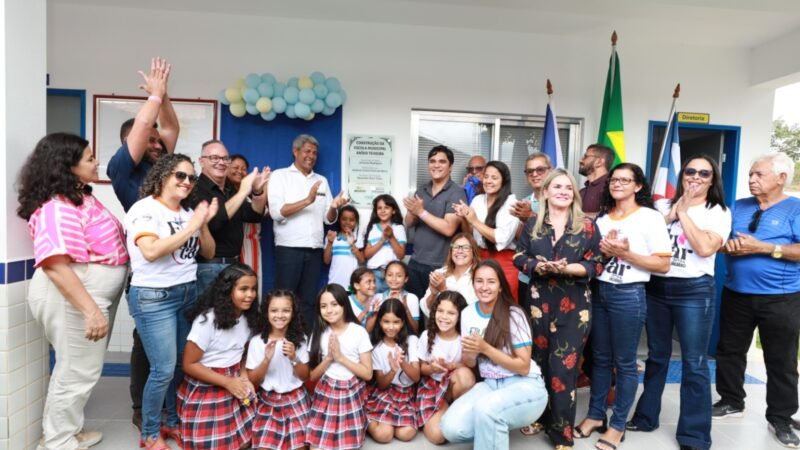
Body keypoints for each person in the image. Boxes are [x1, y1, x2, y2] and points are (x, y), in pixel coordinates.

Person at [18, 133, 129, 450]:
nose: (96, 162)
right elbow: (55, 264)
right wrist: (91, 310)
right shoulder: (57, 207)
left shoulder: (81, 199)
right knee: (76, 370)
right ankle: (57, 442)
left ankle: (67, 430)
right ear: (67, 166)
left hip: (89, 294)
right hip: (74, 296)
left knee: (81, 368)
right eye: (89, 158)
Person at [626, 156, 730, 450]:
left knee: (694, 362)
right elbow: (642, 237)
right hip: (657, 288)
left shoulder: (718, 212)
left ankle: (694, 434)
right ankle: (646, 417)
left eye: (704, 173)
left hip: (694, 291)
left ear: (712, 179)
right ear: (682, 174)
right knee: (657, 356)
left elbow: (706, 246)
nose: (695, 176)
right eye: (690, 171)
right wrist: (671, 213)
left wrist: (683, 213)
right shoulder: (659, 207)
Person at [105, 57, 180, 431]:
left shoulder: (164, 168)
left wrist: (163, 96)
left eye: (157, 140)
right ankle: (141, 408)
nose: (156, 143)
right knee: (145, 345)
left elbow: (169, 127)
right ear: (129, 143)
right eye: (147, 139)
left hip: (177, 270)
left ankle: (170, 410)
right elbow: (145, 130)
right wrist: (152, 98)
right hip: (148, 270)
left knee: (171, 350)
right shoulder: (121, 171)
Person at [574, 163, 671, 450]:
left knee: (625, 363)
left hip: (629, 294)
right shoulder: (603, 219)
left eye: (625, 180)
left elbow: (663, 264)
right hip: (600, 291)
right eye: (614, 180)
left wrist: (626, 254)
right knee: (600, 359)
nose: (617, 184)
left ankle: (617, 425)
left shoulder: (650, 218)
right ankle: (594, 415)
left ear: (638, 186)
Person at [124, 154, 217, 450]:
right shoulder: (145, 209)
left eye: (191, 178)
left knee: (178, 364)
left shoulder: (187, 212)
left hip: (186, 293)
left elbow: (210, 252)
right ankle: (150, 433)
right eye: (180, 175)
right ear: (163, 175)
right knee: (162, 368)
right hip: (154, 297)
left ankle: (173, 423)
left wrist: (201, 225)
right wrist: (192, 227)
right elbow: (150, 251)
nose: (187, 182)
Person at [513, 168, 605, 449]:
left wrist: (568, 269)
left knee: (564, 367)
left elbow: (597, 263)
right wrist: (537, 266)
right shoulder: (533, 225)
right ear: (546, 192)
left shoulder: (587, 226)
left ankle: (561, 431)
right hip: (539, 303)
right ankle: (539, 416)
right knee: (538, 363)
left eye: (568, 187)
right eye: (557, 187)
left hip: (574, 305)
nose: (563, 191)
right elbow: (519, 255)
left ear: (574, 194)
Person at [714, 152, 800, 448]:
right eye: (751, 174)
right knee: (729, 351)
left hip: (781, 298)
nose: (751, 179)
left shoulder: (795, 209)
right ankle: (730, 400)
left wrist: (764, 248)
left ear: (781, 178)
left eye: (758, 174)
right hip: (737, 293)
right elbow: (719, 241)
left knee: (781, 359)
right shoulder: (738, 206)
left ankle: (781, 417)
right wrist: (729, 247)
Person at [439, 260, 548, 449]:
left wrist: (486, 348)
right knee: (450, 427)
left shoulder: (514, 314)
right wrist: (472, 354)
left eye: (491, 282)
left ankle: (494, 424)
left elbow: (523, 367)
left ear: (500, 286)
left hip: (525, 385)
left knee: (487, 409)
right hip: (490, 385)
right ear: (473, 284)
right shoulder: (467, 314)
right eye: (479, 281)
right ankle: (495, 427)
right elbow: (469, 360)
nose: (484, 287)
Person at [269, 134, 349, 326]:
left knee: (308, 301)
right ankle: (281, 342)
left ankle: (304, 343)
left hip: (314, 250)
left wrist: (334, 207)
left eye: (314, 153)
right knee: (284, 299)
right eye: (307, 151)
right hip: (289, 249)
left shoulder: (321, 180)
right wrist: (307, 200)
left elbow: (328, 219)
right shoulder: (280, 176)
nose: (311, 156)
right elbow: (276, 212)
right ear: (295, 151)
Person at [179, 264, 261, 450]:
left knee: (249, 439)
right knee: (214, 444)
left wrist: (243, 377)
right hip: (208, 381)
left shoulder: (249, 317)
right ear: (227, 290)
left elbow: (242, 353)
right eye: (243, 289)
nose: (250, 295)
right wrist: (227, 383)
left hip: (233, 377)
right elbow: (189, 364)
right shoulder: (208, 320)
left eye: (253, 289)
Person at [194, 140, 269, 296]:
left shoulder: (229, 190)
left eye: (225, 158)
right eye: (214, 158)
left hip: (233, 265)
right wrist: (243, 192)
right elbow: (214, 223)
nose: (221, 162)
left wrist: (257, 192)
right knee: (208, 317)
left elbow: (253, 215)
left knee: (228, 317)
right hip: (209, 267)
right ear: (202, 161)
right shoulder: (196, 189)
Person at [307, 284, 374, 450]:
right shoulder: (318, 334)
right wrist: (329, 358)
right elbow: (313, 376)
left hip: (350, 392)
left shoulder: (358, 332)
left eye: (334, 304)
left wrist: (341, 358)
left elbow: (368, 374)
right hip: (326, 392)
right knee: (316, 447)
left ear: (344, 305)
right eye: (323, 306)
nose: (329, 310)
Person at [246, 289, 310, 450]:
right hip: (268, 402)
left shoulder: (301, 339)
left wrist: (294, 357)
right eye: (274, 310)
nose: (280, 315)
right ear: (266, 313)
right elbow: (254, 380)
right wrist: (266, 360)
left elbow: (305, 376)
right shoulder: (257, 341)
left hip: (295, 399)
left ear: (293, 313)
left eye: (286, 310)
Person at [404, 145, 467, 299]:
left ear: (450, 167)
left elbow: (449, 229)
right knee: (414, 311)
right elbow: (409, 222)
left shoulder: (456, 192)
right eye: (432, 161)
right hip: (416, 261)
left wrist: (421, 212)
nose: (436, 165)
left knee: (437, 311)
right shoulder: (421, 190)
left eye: (442, 161)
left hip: (440, 266)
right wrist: (413, 211)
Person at [454, 160, 521, 301]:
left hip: (504, 262)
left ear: (504, 180)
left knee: (504, 305)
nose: (488, 181)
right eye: (486, 177)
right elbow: (469, 234)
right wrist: (465, 218)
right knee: (480, 302)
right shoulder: (477, 200)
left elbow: (500, 238)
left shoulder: (511, 203)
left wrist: (474, 220)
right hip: (479, 259)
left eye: (494, 177)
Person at [417, 291, 476, 444]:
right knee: (437, 436)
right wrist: (432, 369)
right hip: (432, 388)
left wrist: (452, 366)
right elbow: (421, 368)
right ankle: (445, 413)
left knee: (465, 375)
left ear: (459, 316)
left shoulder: (464, 339)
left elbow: (472, 366)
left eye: (451, 313)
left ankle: (458, 413)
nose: (444, 317)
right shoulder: (426, 336)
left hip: (453, 388)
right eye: (440, 311)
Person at [365, 298, 421, 443]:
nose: (391, 327)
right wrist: (392, 369)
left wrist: (402, 363)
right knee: (384, 436)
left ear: (402, 322)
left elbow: (416, 377)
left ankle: (390, 421)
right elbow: (382, 385)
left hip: (406, 394)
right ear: (380, 322)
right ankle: (366, 416)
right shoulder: (377, 347)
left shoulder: (412, 340)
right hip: (387, 392)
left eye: (396, 322)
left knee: (406, 434)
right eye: (386, 322)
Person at [510, 152, 552, 306]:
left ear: (551, 171)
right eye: (530, 171)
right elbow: (521, 242)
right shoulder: (523, 203)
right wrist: (520, 222)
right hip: (526, 277)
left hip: (553, 278)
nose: (535, 174)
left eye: (540, 169)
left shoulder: (561, 200)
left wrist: (531, 217)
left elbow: (559, 234)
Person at [226, 155, 267, 297]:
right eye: (235, 167)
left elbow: (262, 213)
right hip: (231, 245)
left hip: (251, 245)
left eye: (243, 169)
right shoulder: (223, 192)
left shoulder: (252, 192)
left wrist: (263, 188)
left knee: (251, 283)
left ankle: (250, 318)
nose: (240, 171)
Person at [419, 232, 480, 319]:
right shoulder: (440, 272)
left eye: (466, 247)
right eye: (455, 247)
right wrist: (433, 294)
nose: (459, 251)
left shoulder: (479, 277)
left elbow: (469, 312)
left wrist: (443, 290)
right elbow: (427, 309)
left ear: (473, 252)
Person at [363, 194, 406, 292]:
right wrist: (382, 240)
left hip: (392, 275)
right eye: (379, 208)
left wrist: (391, 237)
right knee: (374, 304)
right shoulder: (372, 228)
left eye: (386, 207)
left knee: (390, 303)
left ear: (393, 210)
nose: (382, 211)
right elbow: (366, 254)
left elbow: (401, 255)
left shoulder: (398, 228)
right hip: (373, 273)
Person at [373, 260, 421, 333]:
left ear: (406, 279)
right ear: (385, 276)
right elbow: (371, 329)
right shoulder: (377, 298)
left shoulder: (411, 298)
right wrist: (375, 314)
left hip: (404, 339)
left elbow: (415, 329)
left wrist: (406, 309)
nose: (394, 279)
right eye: (390, 275)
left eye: (399, 276)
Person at [323, 205, 364, 288]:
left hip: (352, 284)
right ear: (339, 220)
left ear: (356, 221)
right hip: (335, 282)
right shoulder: (332, 236)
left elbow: (362, 260)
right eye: (344, 219)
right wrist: (330, 242)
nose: (347, 222)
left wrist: (352, 244)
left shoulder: (358, 238)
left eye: (351, 220)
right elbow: (326, 261)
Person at [578, 144, 614, 218]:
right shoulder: (582, 191)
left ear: (599, 162)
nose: (580, 160)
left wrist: (576, 217)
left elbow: (611, 216)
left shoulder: (612, 187)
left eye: (585, 157)